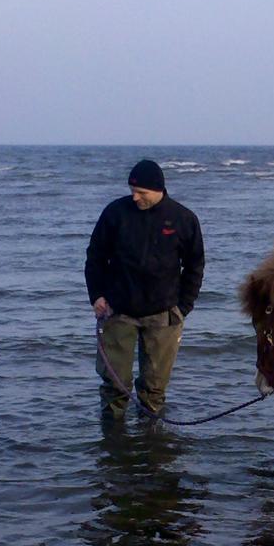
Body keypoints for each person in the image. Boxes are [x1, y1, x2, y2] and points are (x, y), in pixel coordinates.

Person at [85, 159, 205, 420]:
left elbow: (195, 266)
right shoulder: (115, 213)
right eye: (132, 191)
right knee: (114, 387)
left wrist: (183, 308)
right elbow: (95, 257)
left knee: (154, 390)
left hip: (164, 315)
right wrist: (97, 295)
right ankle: (113, 446)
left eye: (141, 192)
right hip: (118, 312)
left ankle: (151, 447)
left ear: (158, 189)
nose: (135, 197)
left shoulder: (183, 219)